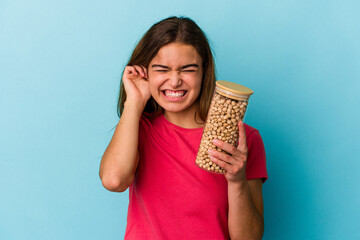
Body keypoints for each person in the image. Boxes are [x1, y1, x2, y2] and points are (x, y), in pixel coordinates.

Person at [99, 16, 268, 240]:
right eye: (162, 69)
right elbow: (114, 181)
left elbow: (249, 239)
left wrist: (237, 182)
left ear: (204, 73)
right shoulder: (138, 128)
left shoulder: (243, 139)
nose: (175, 81)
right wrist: (134, 102)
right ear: (146, 72)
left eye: (187, 70)